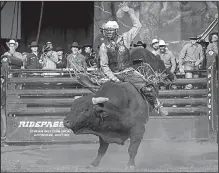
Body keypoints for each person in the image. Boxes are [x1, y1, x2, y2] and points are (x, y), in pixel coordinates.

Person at [97, 4, 167, 115]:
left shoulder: (125, 38)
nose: (109, 32)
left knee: (147, 87)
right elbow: (104, 65)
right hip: (114, 74)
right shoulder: (103, 46)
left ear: (116, 30)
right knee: (99, 91)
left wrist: (130, 12)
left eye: (111, 30)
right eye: (107, 30)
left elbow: (138, 25)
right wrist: (113, 78)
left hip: (129, 72)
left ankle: (157, 105)